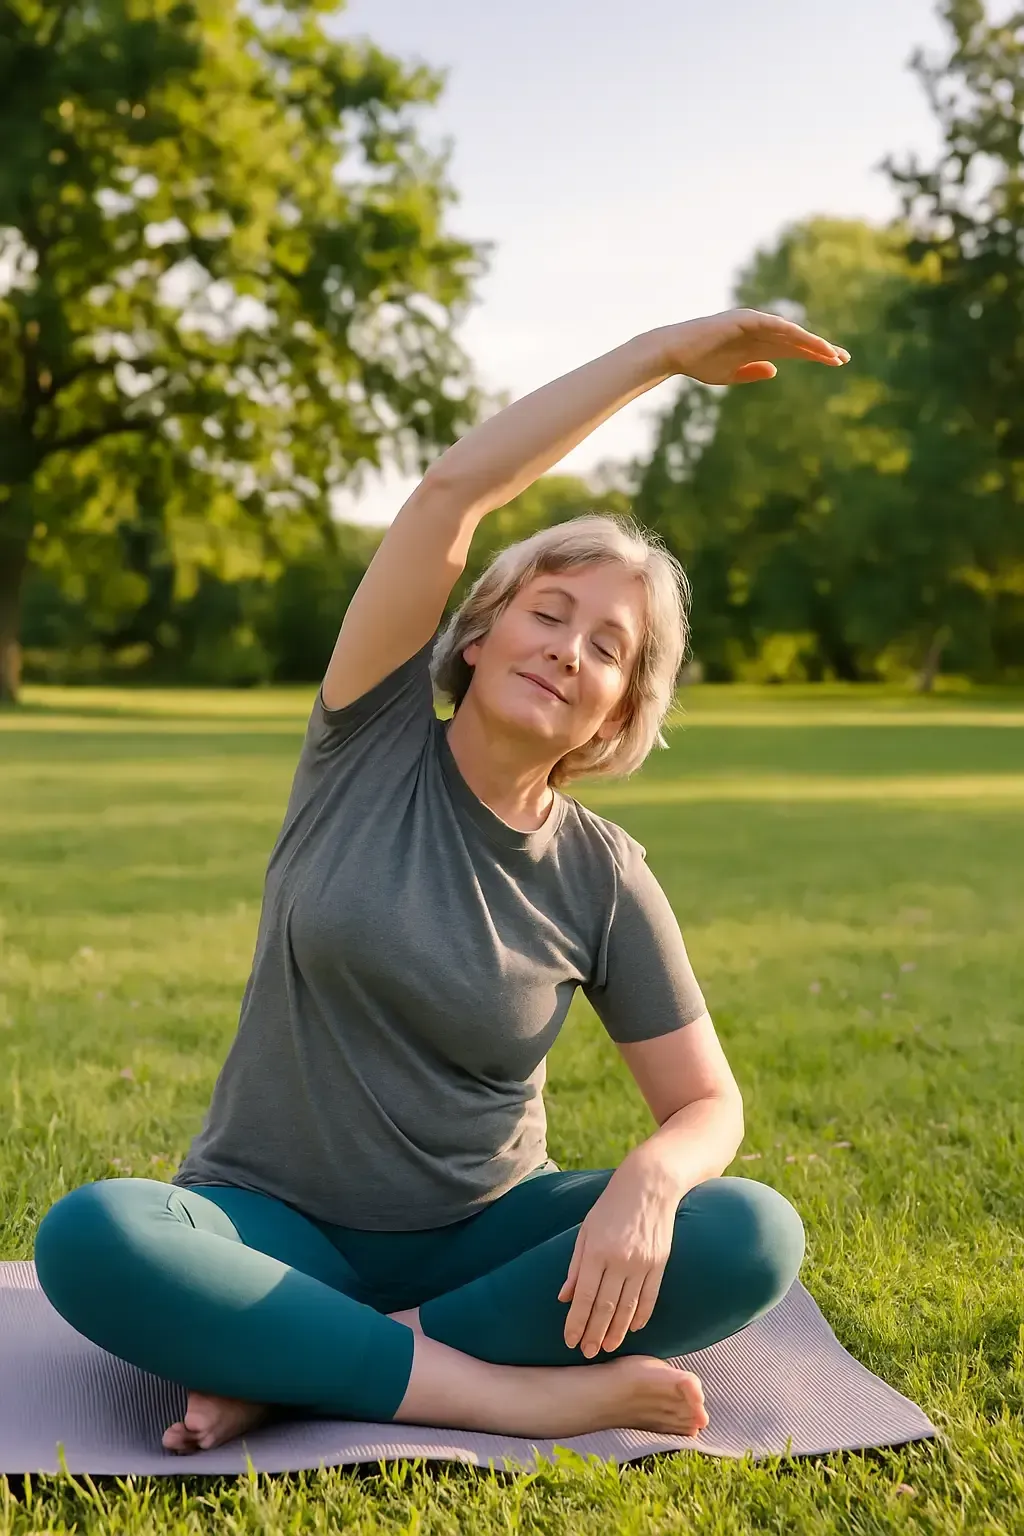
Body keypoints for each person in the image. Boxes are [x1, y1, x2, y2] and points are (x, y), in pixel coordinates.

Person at [34, 309, 850, 1454]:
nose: (569, 648)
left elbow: (707, 1104)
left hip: (487, 1239)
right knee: (93, 1237)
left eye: (608, 648)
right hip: (267, 1228)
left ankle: (314, 1363)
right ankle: (500, 1395)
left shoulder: (601, 874)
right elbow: (451, 496)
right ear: (477, 635)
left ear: (620, 708)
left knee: (750, 1232)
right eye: (548, 612)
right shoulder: (364, 740)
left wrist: (653, 1181)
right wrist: (660, 358)